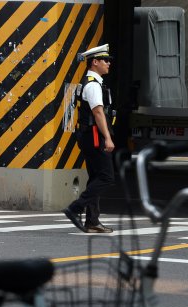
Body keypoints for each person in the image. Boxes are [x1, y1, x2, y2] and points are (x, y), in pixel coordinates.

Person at [62, 44, 115, 234]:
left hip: (88, 135)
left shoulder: (94, 82)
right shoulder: (92, 85)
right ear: (95, 62)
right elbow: (98, 113)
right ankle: (75, 209)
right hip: (94, 136)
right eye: (105, 60)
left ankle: (92, 221)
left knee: (95, 177)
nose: (108, 63)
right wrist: (107, 138)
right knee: (106, 177)